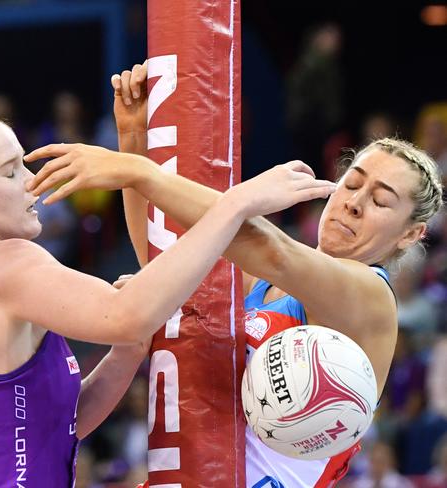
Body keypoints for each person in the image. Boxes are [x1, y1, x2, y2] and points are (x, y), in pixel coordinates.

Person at [0, 4, 335, 487]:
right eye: (11, 170)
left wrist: (126, 354)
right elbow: (130, 312)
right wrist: (236, 204)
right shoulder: (2, 263)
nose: (33, 181)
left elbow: (60, 426)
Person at [25, 61, 444, 487]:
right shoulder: (261, 281)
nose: (354, 202)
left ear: (411, 233)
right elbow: (167, 260)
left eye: (381, 200)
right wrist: (134, 141)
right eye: (352, 184)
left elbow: (273, 249)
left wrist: (139, 171)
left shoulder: (370, 298)